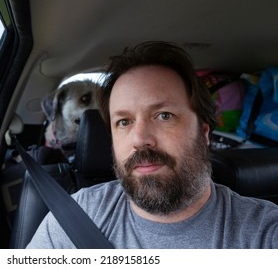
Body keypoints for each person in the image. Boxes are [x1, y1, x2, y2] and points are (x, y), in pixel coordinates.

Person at [26, 41, 278, 248]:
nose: (139, 139)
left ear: (203, 132)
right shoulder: (72, 220)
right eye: (124, 122)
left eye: (164, 115)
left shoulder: (262, 232)